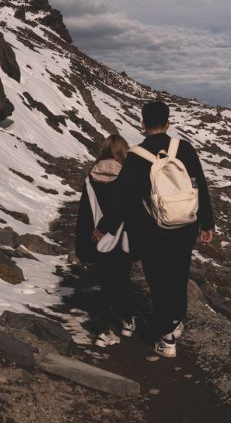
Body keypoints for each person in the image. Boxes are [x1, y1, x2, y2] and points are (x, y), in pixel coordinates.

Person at [97, 101, 215, 358]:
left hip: (153, 230)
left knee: (159, 280)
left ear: (142, 124)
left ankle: (167, 337)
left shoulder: (136, 156)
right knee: (179, 274)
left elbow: (123, 198)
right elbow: (199, 186)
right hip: (186, 225)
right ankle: (177, 321)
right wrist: (207, 223)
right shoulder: (184, 148)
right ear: (168, 123)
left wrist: (105, 227)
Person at [75, 135, 136, 347]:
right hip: (120, 237)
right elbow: (127, 209)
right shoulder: (126, 176)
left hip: (98, 238)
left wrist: (89, 236)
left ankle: (104, 328)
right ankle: (126, 322)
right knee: (122, 279)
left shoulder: (91, 176)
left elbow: (85, 211)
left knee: (104, 282)